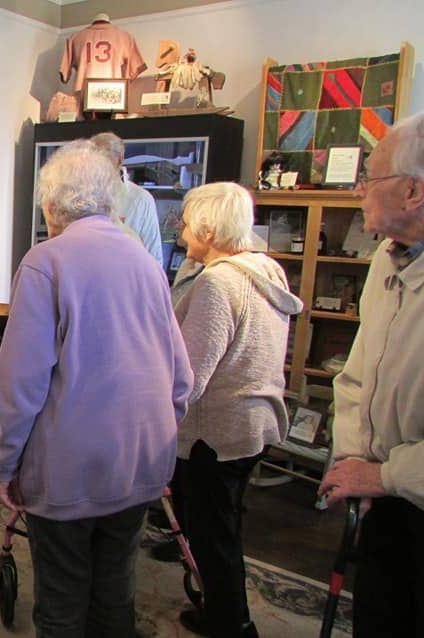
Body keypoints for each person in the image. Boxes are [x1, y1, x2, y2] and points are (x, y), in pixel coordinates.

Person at [0, 139, 193, 637]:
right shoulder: (147, 261)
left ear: (53, 204)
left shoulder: (46, 261)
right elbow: (180, 379)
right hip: (140, 460)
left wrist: (5, 463)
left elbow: (20, 384)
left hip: (69, 469)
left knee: (61, 605)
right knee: (114, 597)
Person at [172, 182, 303, 637]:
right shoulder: (265, 269)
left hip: (217, 431)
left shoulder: (217, 284)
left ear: (207, 228)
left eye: (187, 223)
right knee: (220, 524)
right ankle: (221, 608)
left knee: (214, 537)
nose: (183, 231)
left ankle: (231, 624)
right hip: (255, 423)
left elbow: (189, 377)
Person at [318, 111, 424, 636]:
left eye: (372, 178)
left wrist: (384, 474)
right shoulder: (387, 258)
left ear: (413, 192)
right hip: (381, 496)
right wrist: (353, 456)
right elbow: (356, 375)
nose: (359, 189)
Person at [90, 132, 164, 265]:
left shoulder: (141, 199)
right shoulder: (83, 197)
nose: (98, 168)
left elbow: (154, 256)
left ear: (119, 160)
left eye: (104, 160)